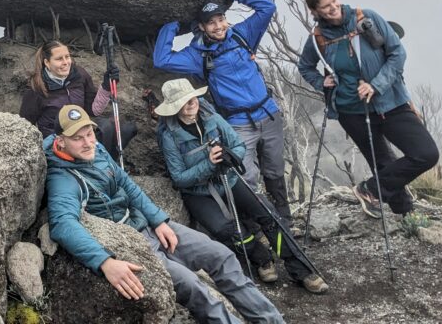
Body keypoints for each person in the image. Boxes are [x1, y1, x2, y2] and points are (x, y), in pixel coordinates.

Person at [46, 104, 286, 324]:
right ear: (61, 141)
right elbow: (62, 224)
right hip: (129, 242)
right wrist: (104, 262)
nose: (87, 142)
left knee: (220, 255)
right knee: (192, 285)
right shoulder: (64, 179)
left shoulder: (96, 149)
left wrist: (158, 220)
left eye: (89, 133)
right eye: (77, 138)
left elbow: (127, 184)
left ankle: (271, 320)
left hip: (146, 224)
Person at [155, 79, 328, 294]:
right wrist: (209, 164)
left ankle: (300, 269)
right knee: (225, 229)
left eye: (192, 98)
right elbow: (179, 178)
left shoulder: (212, 118)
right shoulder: (168, 136)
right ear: (174, 108)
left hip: (229, 178)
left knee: (268, 214)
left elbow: (237, 144)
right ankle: (262, 258)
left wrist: (229, 156)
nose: (191, 104)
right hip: (198, 192)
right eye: (184, 102)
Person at [153, 0, 293, 227]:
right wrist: (175, 24)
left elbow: (267, 7)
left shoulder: (242, 35)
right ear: (201, 26)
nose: (219, 26)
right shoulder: (196, 55)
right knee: (245, 177)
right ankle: (257, 226)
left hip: (269, 113)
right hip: (238, 123)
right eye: (211, 23)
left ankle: (286, 223)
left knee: (275, 169)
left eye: (221, 19)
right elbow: (161, 59)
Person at [298, 0, 438, 218]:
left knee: (426, 153)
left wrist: (375, 85)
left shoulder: (367, 18)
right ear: (315, 11)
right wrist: (321, 82)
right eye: (326, 6)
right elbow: (305, 66)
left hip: (390, 102)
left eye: (334, 1)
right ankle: (406, 215)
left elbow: (397, 54)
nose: (334, 7)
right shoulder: (318, 38)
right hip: (351, 111)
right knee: (382, 162)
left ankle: (369, 189)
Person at [19, 40, 136, 162]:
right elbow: (25, 126)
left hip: (81, 135)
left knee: (118, 127)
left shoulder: (79, 75)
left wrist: (107, 86)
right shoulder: (36, 89)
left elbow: (94, 110)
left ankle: (106, 165)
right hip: (57, 143)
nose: (66, 62)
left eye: (67, 57)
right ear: (47, 63)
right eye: (59, 59)